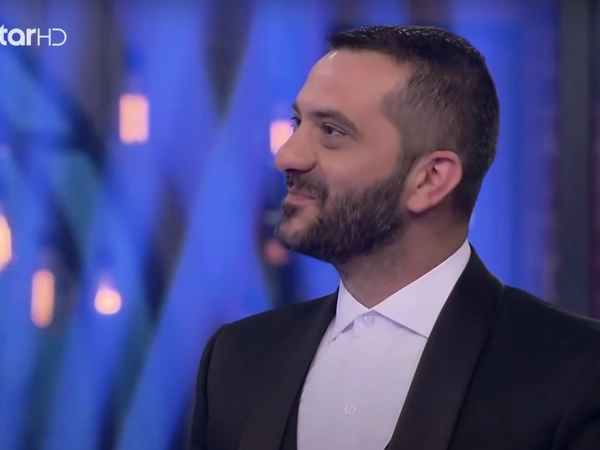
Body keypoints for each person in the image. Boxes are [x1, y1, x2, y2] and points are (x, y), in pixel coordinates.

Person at [188, 25, 600, 450]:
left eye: (331, 131)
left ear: (430, 179)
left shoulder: (578, 371)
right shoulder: (235, 359)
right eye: (298, 122)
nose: (287, 155)